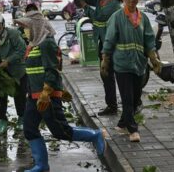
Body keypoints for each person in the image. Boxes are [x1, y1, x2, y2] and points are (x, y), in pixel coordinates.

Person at [14, 10, 106, 171]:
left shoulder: (46, 43)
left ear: (35, 27)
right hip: (33, 96)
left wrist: (47, 92)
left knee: (61, 131)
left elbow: (52, 69)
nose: (24, 30)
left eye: (26, 27)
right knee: (29, 129)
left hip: (46, 96)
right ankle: (41, 165)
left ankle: (95, 135)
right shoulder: (32, 45)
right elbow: (32, 72)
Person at [101, 0, 162, 143]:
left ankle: (122, 123)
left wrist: (154, 58)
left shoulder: (143, 18)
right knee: (127, 99)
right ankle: (132, 130)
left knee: (135, 100)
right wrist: (105, 60)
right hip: (122, 64)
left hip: (139, 65)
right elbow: (109, 40)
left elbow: (149, 40)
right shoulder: (117, 18)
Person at [67, 0, 125, 116]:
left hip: (112, 44)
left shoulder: (114, 5)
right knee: (105, 75)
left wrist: (85, 6)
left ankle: (122, 104)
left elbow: (98, 17)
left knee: (112, 73)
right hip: (102, 42)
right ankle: (111, 105)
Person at [0, 13, 27, 135]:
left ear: (3, 24)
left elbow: (22, 50)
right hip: (2, 72)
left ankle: (21, 119)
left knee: (19, 96)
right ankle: (2, 121)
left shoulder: (12, 34)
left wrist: (8, 60)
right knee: (0, 97)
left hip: (18, 70)